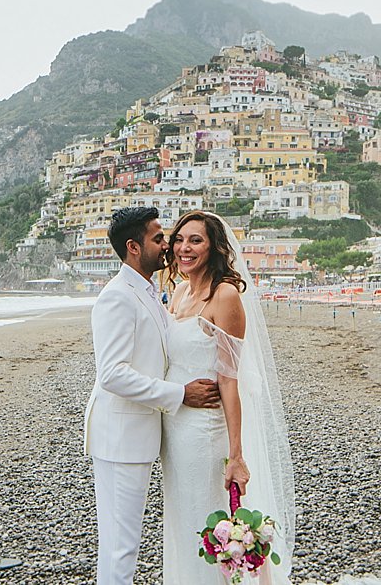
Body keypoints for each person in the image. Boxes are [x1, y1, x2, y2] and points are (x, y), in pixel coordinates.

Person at [84, 207, 221, 585]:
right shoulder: (117, 297)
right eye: (159, 238)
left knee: (126, 543)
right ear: (133, 247)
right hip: (120, 439)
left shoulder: (149, 290)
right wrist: (179, 394)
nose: (168, 245)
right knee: (120, 546)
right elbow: (112, 374)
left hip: (143, 435)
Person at [161, 211, 295, 583]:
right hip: (176, 428)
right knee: (183, 519)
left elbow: (230, 381)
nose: (184, 248)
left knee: (208, 516)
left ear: (214, 246)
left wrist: (236, 455)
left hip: (206, 431)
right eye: (180, 240)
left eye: (196, 240)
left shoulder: (225, 295)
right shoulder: (180, 290)